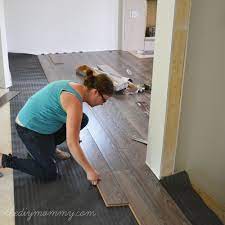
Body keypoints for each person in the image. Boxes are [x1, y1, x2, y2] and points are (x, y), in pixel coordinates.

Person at [0, 71, 114, 185]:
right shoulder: (74, 102)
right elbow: (72, 143)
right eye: (104, 100)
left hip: (41, 125)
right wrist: (90, 171)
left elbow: (73, 121)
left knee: (83, 119)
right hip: (29, 129)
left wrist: (75, 135)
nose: (103, 104)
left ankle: (48, 149)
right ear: (95, 92)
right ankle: (5, 160)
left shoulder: (74, 87)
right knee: (50, 173)